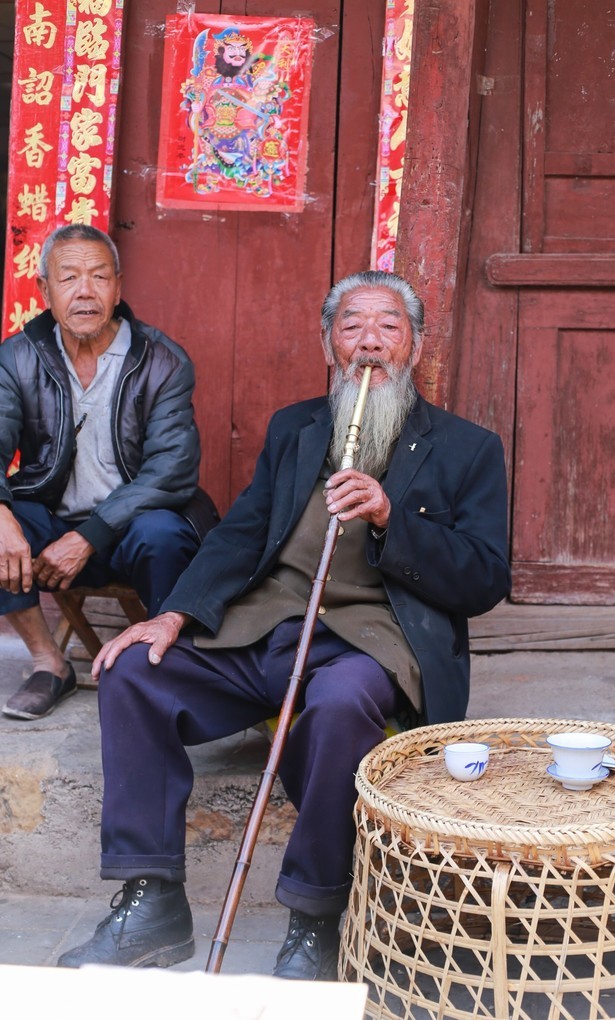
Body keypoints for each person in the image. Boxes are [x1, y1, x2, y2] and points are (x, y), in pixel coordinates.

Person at [57, 270, 511, 978]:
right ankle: (151, 900)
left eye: (388, 327)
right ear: (329, 344)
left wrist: (393, 517)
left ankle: (316, 917)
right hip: (264, 630)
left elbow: (485, 578)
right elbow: (240, 533)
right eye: (351, 326)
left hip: (369, 642)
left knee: (338, 705)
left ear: (414, 346)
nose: (369, 343)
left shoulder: (466, 448)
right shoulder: (297, 427)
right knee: (131, 671)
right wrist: (172, 614)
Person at [0, 224, 217, 721]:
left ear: (118, 287)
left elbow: (171, 471)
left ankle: (163, 668)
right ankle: (48, 663)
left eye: (99, 277)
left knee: (162, 532)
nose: (85, 291)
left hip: (130, 529)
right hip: (54, 524)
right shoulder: (16, 358)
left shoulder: (161, 360)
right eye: (69, 277)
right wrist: (2, 516)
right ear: (44, 290)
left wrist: (91, 536)